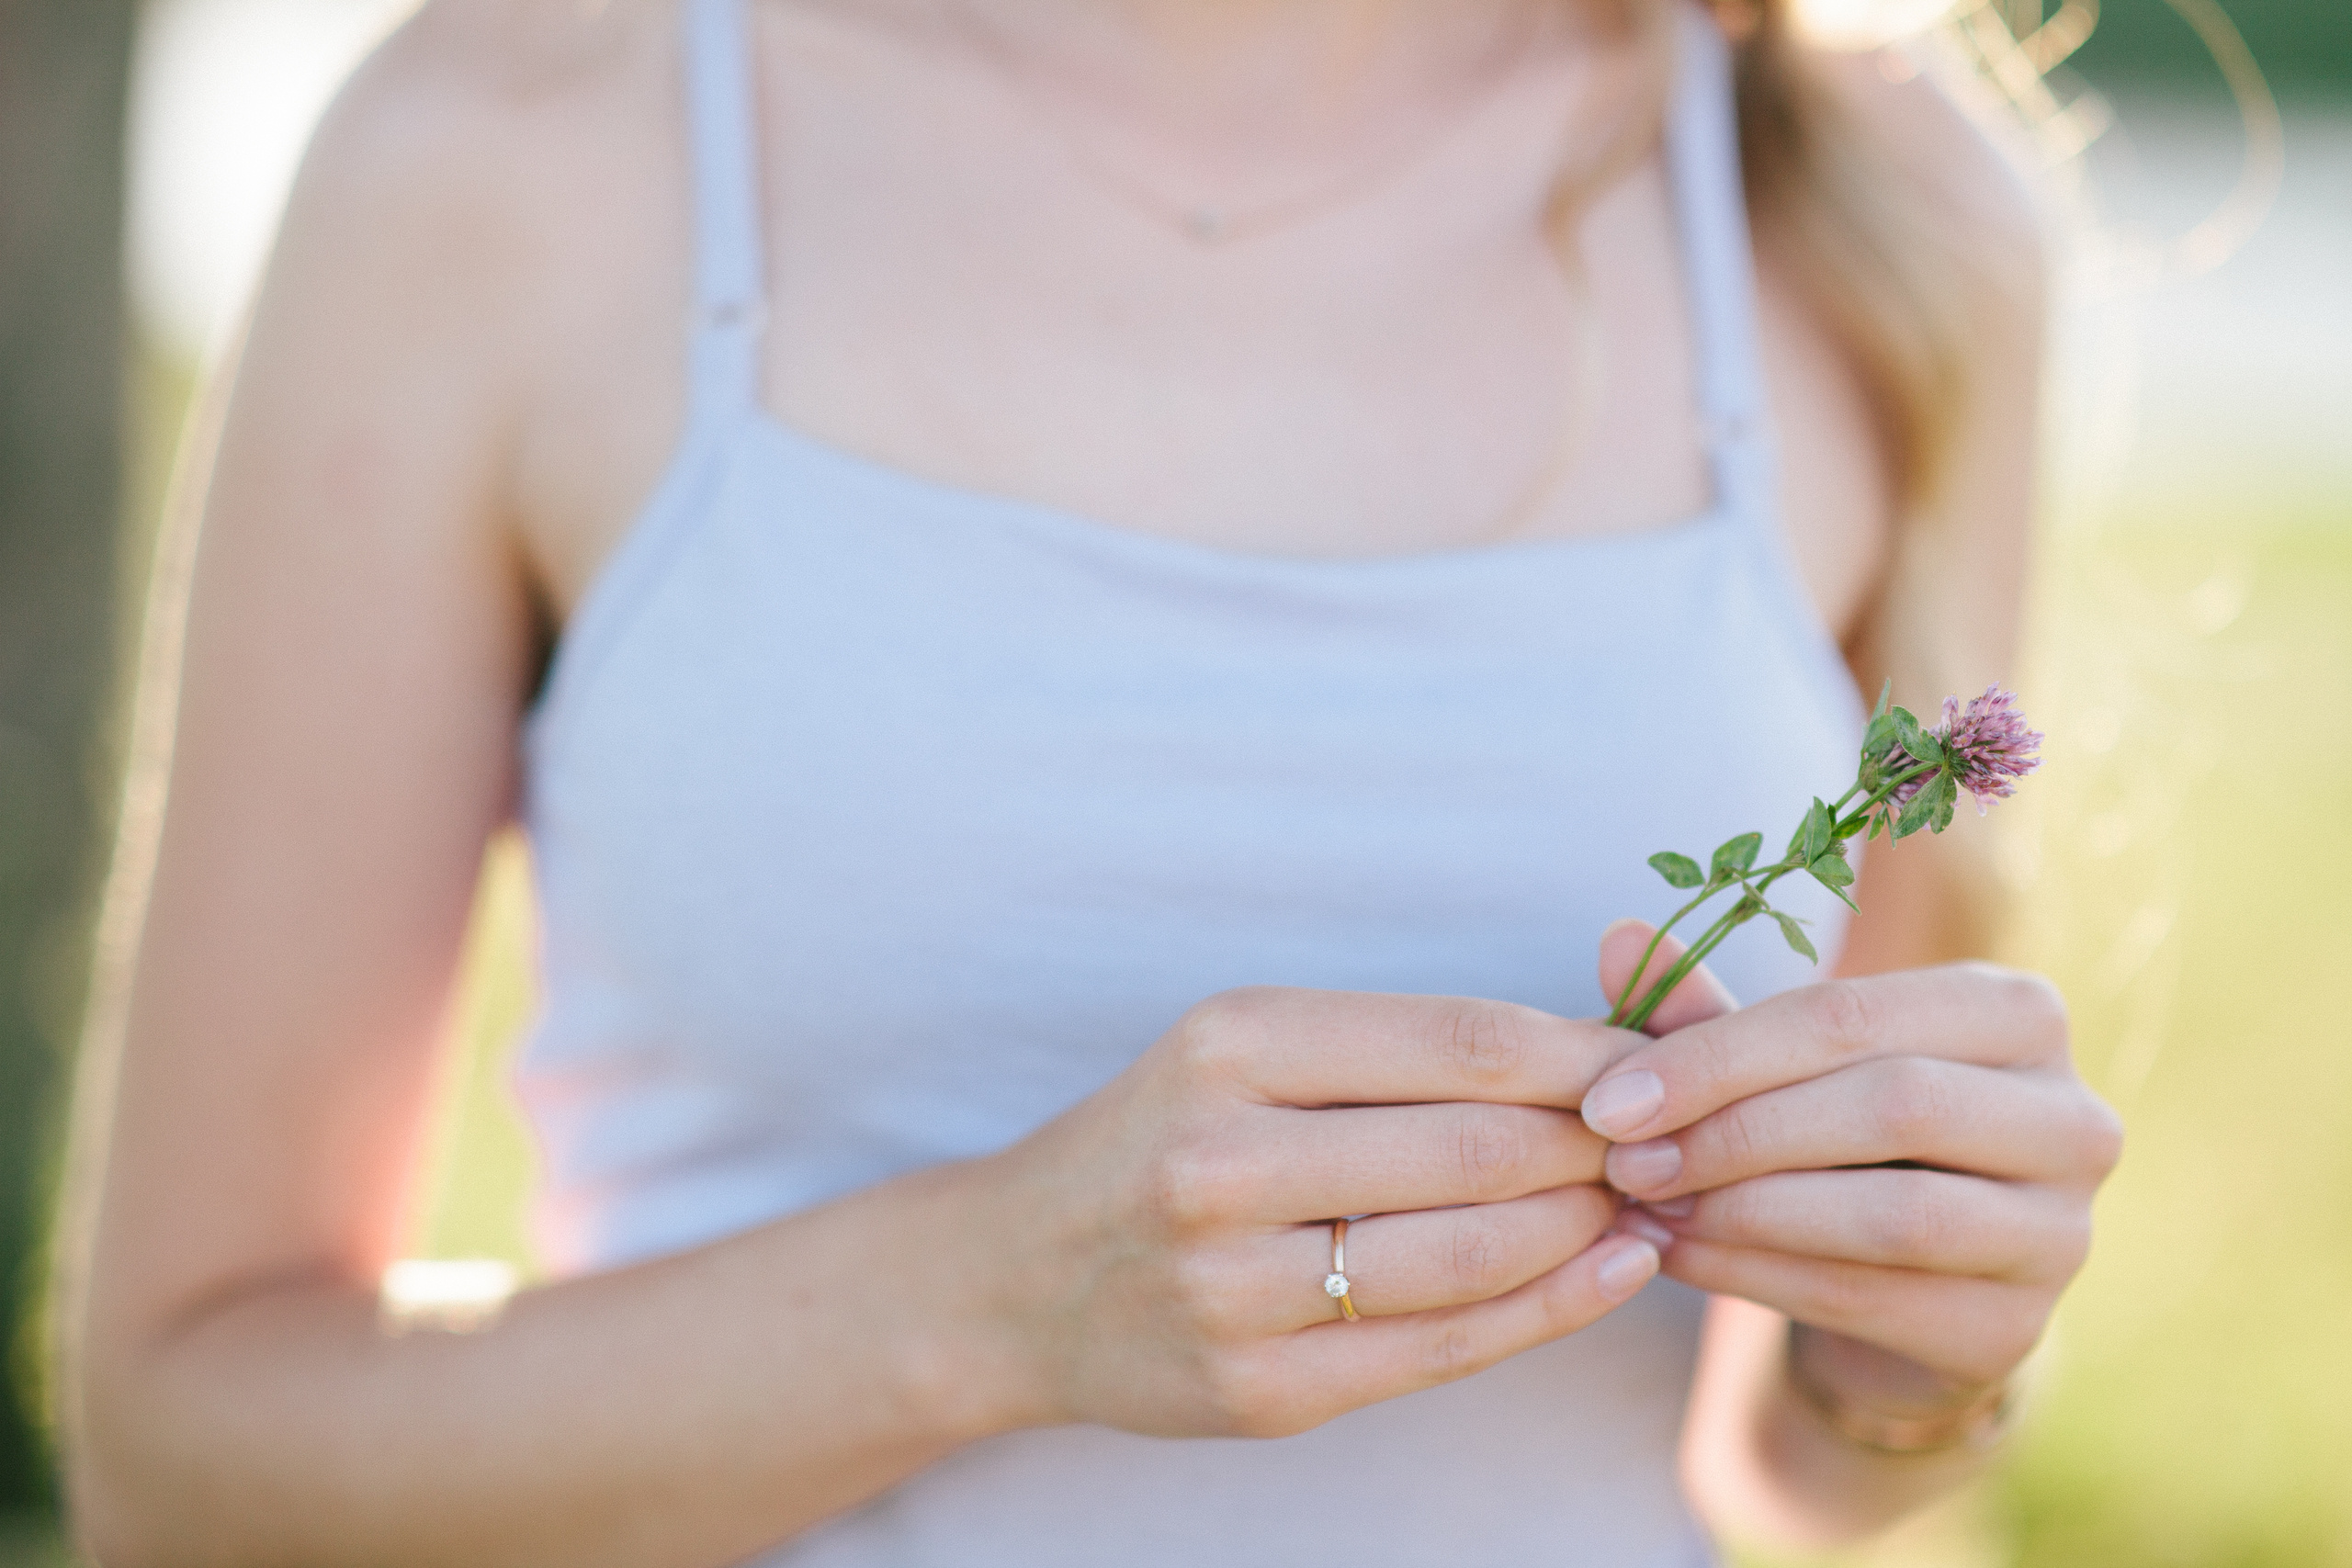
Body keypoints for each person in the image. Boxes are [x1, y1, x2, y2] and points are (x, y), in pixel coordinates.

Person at [56, 0, 2121, 1562]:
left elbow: (1772, 1455)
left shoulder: (1871, 212)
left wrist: (1894, 1363)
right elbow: (182, 1443)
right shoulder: (516, 145)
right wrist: (983, 1303)